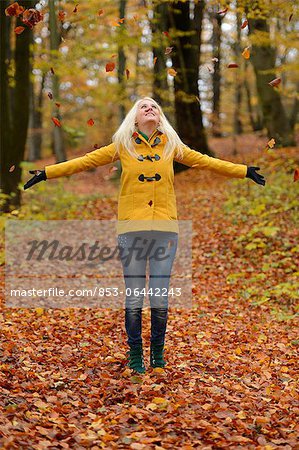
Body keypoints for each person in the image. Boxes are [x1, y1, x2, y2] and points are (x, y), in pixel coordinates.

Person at [24, 96, 266, 374]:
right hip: (131, 230)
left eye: (154, 107)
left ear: (160, 117)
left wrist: (244, 171)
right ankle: (136, 354)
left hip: (165, 230)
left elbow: (207, 162)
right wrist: (46, 173)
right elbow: (85, 161)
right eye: (144, 106)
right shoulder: (122, 146)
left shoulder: (171, 146)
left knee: (160, 297)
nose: (150, 109)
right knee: (135, 297)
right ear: (135, 118)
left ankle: (158, 355)